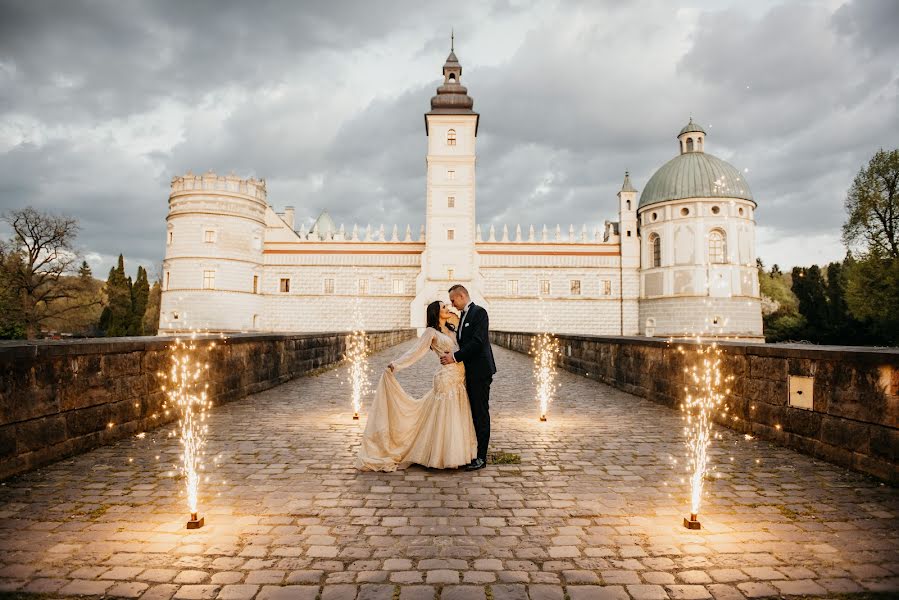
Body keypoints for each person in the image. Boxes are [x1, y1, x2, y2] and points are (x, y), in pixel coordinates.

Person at [354, 300, 477, 471]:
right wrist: (396, 365)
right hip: (446, 377)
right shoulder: (430, 332)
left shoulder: (452, 328)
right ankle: (440, 455)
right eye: (443, 307)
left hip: (459, 376)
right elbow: (416, 351)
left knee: (456, 413)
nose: (447, 308)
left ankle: (458, 453)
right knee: (445, 415)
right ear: (436, 312)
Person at [440, 284, 496, 471]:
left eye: (453, 300)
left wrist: (454, 357)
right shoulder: (463, 315)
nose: (452, 304)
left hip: (480, 371)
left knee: (480, 412)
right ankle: (473, 451)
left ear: (462, 295)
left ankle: (481, 457)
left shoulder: (480, 313)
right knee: (473, 411)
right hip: (469, 371)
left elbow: (478, 342)